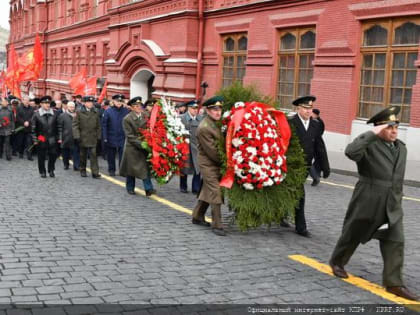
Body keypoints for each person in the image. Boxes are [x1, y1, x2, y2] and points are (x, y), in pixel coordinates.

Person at [329, 106, 418, 301]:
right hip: (368, 198)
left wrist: (397, 199)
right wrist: (371, 133)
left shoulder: (401, 148)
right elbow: (351, 152)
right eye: (389, 127)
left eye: (397, 127)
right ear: (379, 128)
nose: (395, 131)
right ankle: (337, 261)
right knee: (353, 233)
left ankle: (394, 283)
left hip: (392, 204)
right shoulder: (369, 145)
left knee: (396, 240)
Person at [288, 95, 329, 237]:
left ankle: (281, 216)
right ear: (298, 108)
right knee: (299, 193)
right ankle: (301, 227)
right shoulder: (290, 122)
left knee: (292, 192)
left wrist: (324, 166)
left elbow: (319, 146)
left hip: (306, 166)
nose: (308, 111)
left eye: (310, 108)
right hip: (291, 166)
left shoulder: (315, 125)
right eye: (305, 108)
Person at [191, 96, 225, 236]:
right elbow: (213, 152)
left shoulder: (214, 123)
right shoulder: (204, 128)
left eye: (220, 109)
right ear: (208, 110)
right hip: (208, 164)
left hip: (215, 162)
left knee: (207, 189)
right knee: (215, 191)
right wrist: (227, 163)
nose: (218, 112)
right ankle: (217, 225)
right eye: (214, 109)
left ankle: (197, 216)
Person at [120, 97, 156, 196]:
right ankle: (130, 187)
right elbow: (130, 136)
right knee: (131, 169)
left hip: (144, 146)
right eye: (136, 106)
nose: (138, 107)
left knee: (145, 169)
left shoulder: (146, 115)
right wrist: (141, 144)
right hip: (132, 147)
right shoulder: (127, 119)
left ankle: (149, 189)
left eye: (140, 105)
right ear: (131, 108)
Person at [31, 96, 62, 178]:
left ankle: (51, 169)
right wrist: (35, 139)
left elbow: (59, 127)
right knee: (41, 156)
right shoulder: (36, 114)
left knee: (53, 155)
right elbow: (33, 129)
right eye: (45, 103)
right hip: (41, 137)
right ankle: (42, 171)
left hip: (52, 138)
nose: (47, 105)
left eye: (48, 103)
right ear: (41, 104)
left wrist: (60, 137)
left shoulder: (55, 113)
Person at [72, 95, 101, 179]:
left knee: (94, 155)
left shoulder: (96, 111)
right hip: (82, 137)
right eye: (88, 102)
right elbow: (75, 125)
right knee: (83, 155)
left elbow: (98, 125)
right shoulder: (79, 112)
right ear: (84, 103)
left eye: (92, 102)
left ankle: (95, 172)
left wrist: (99, 136)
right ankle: (83, 170)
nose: (90, 104)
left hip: (93, 137)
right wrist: (77, 136)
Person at [102, 94, 130, 176]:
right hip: (111, 136)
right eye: (117, 101)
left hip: (122, 136)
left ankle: (122, 170)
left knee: (123, 155)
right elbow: (104, 125)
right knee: (111, 155)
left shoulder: (126, 111)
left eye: (120, 101)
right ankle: (111, 170)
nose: (119, 102)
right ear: (113, 101)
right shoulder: (108, 111)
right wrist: (105, 137)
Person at [179, 100, 203, 194]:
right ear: (188, 108)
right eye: (193, 108)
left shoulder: (201, 118)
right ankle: (183, 186)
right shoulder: (181, 118)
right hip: (185, 146)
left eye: (196, 108)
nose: (195, 110)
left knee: (198, 168)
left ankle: (195, 188)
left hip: (197, 147)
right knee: (184, 167)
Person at [309, 108, 329, 186]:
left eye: (312, 113)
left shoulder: (319, 122)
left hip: (315, 144)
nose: (311, 114)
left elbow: (319, 133)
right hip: (314, 144)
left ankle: (316, 176)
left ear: (316, 115)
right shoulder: (311, 120)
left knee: (309, 161)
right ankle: (315, 175)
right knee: (313, 160)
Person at [58, 101, 80, 171]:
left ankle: (76, 166)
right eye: (70, 107)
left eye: (73, 107)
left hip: (75, 137)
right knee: (65, 153)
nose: (72, 108)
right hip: (65, 137)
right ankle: (66, 164)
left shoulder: (77, 115)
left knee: (76, 152)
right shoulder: (62, 115)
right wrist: (60, 137)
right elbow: (59, 127)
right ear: (67, 107)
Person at [16, 96, 35, 160]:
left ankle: (29, 155)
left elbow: (33, 117)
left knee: (29, 143)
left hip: (29, 128)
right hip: (21, 128)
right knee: (20, 142)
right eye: (25, 100)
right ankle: (21, 153)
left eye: (28, 100)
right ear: (23, 101)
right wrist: (23, 122)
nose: (27, 101)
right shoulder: (19, 108)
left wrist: (28, 122)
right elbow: (18, 117)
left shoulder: (32, 108)